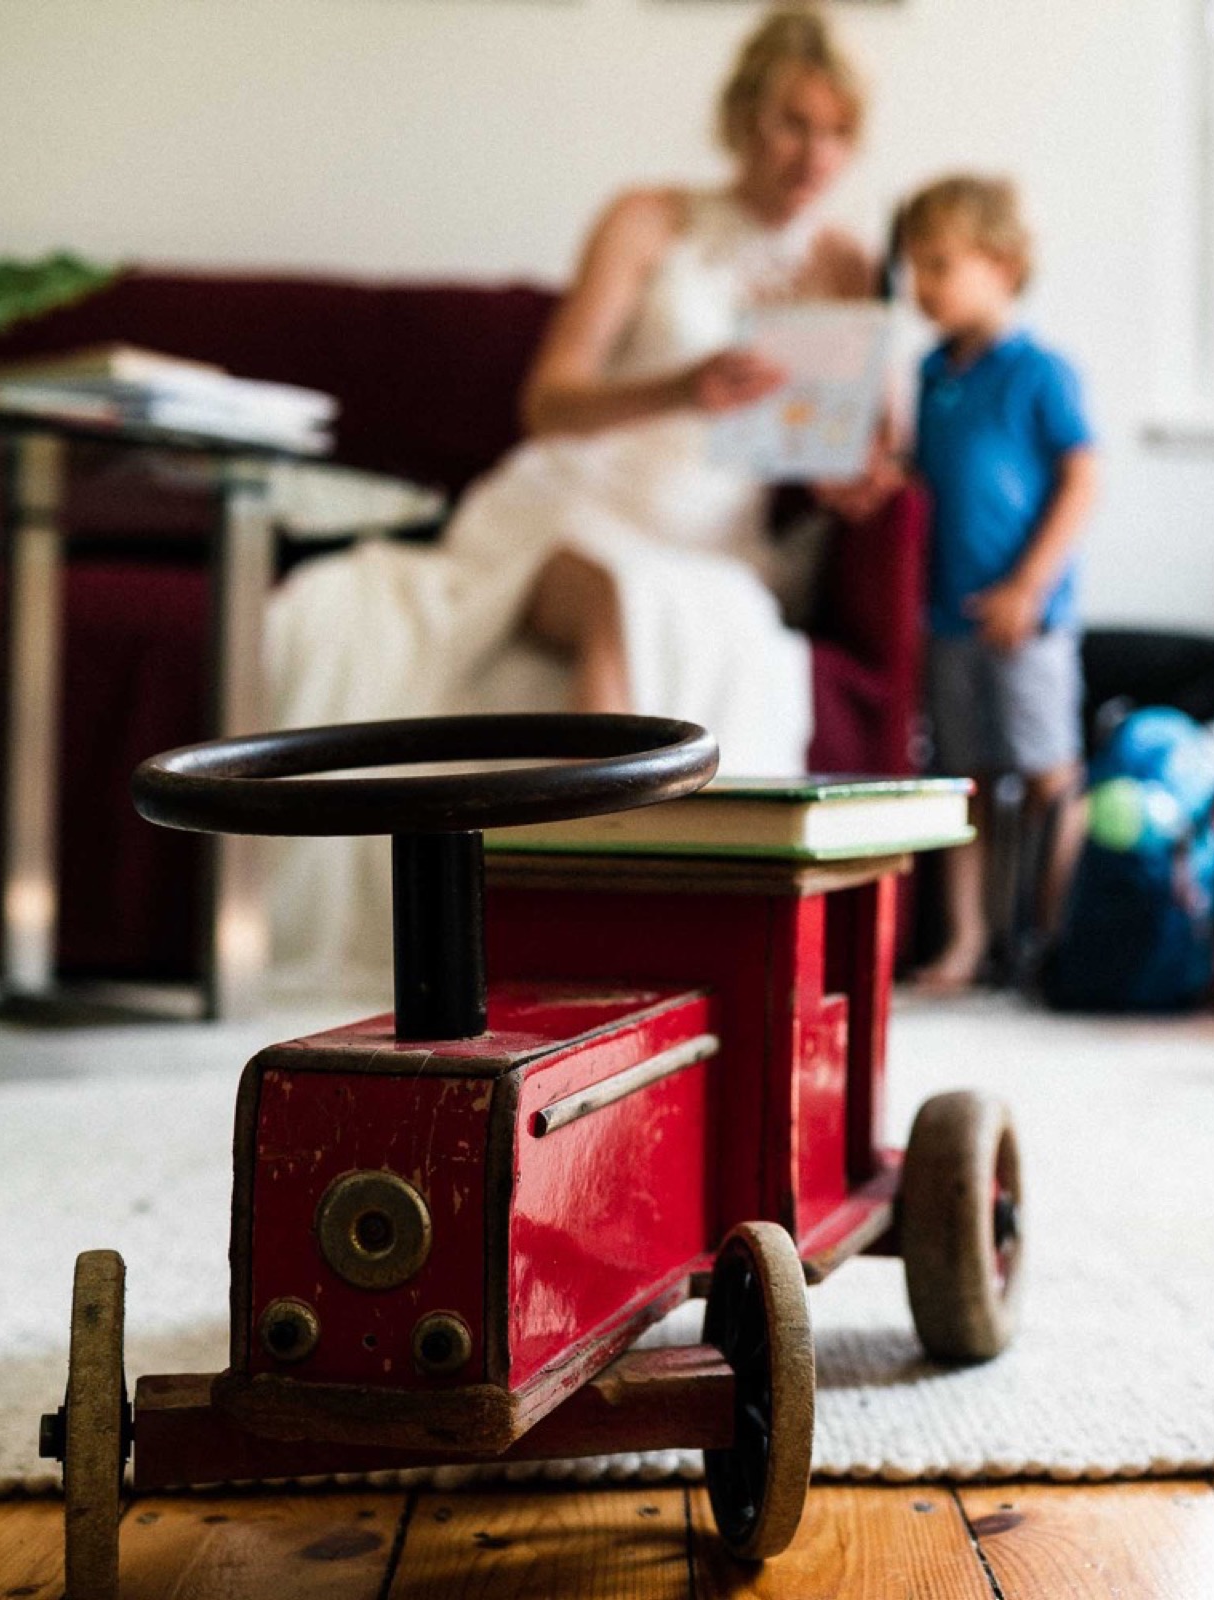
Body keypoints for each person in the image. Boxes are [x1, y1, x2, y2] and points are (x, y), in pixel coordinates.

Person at [263, 7, 882, 982]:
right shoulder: (648, 218)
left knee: (688, 603)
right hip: (574, 504)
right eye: (792, 124)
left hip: (712, 535)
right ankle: (583, 919)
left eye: (838, 131)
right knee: (618, 598)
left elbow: (844, 441)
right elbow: (549, 400)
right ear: (741, 121)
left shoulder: (846, 265)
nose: (815, 153)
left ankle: (634, 922)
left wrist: (858, 475)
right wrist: (681, 387)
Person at [893, 175, 1100, 989]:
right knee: (965, 782)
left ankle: (1057, 938)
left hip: (1027, 619)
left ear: (1004, 264)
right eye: (914, 266)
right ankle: (966, 943)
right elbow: (926, 476)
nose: (923, 286)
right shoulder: (932, 374)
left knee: (1050, 773)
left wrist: (1028, 587)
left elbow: (1083, 480)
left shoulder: (1041, 372)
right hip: (950, 618)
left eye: (941, 264)